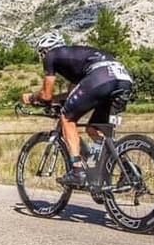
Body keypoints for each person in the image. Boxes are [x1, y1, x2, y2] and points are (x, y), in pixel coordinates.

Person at [21, 31, 133, 187]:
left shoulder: (51, 55)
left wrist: (32, 98)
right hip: (123, 79)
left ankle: (77, 170)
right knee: (94, 129)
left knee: (67, 118)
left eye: (41, 53)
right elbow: (72, 94)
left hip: (100, 77)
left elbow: (46, 95)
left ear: (45, 50)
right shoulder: (77, 58)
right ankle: (128, 169)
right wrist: (54, 99)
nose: (42, 57)